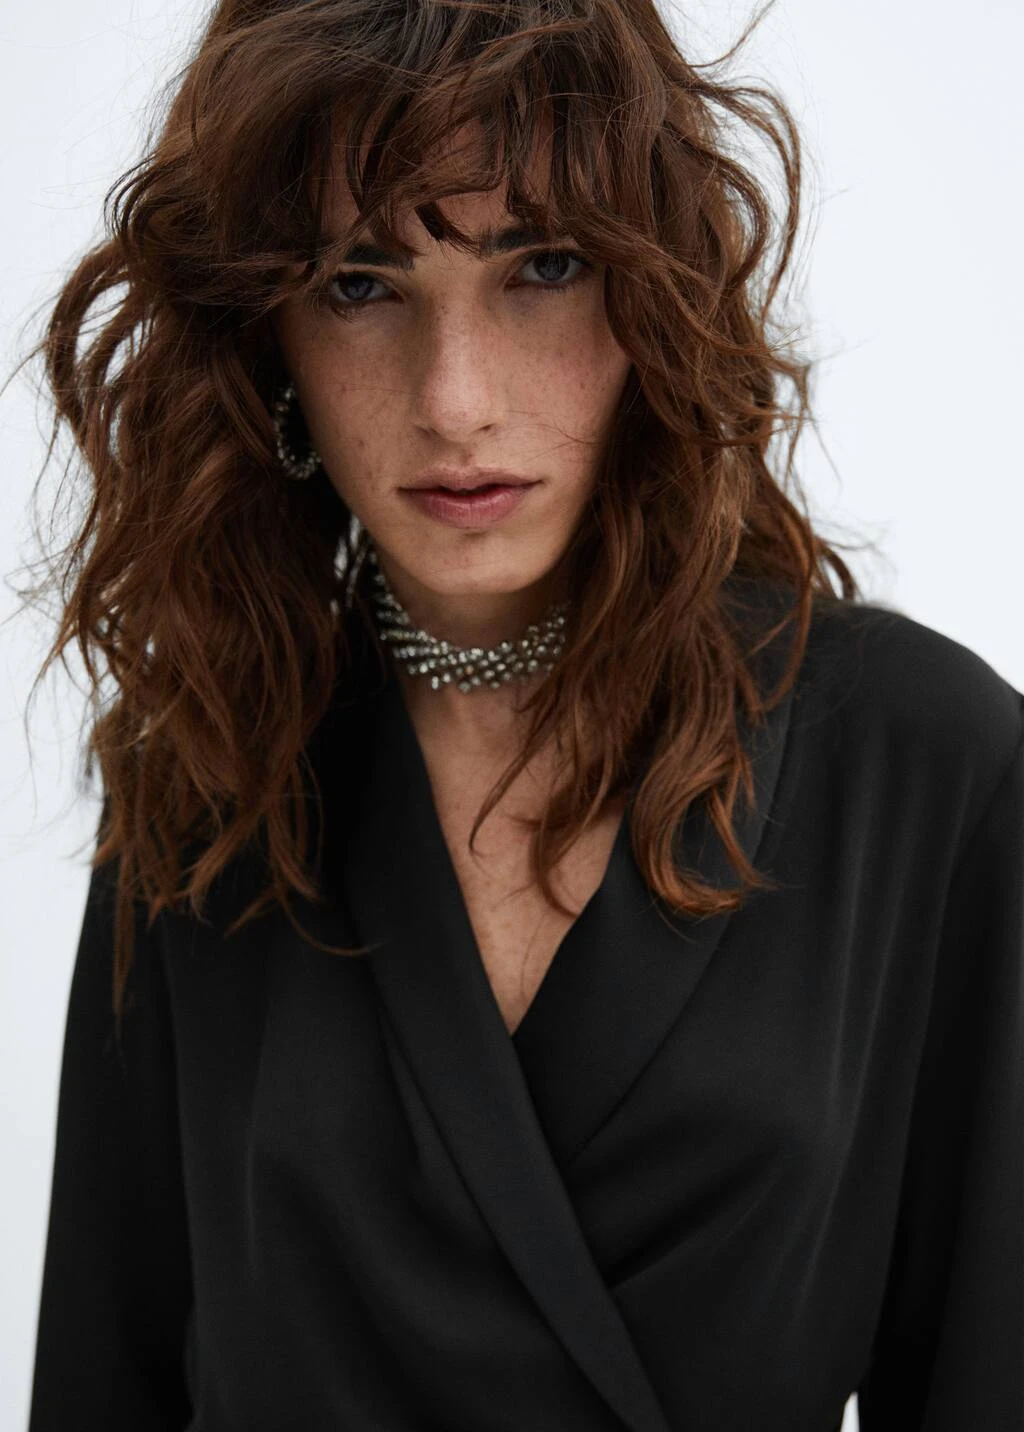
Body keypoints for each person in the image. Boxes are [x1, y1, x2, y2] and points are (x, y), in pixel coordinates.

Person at [21, 1, 1021, 1429]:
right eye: (361, 284)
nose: (456, 400)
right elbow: (101, 1379)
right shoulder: (211, 769)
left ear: (653, 293)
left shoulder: (928, 770)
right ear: (264, 336)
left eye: (542, 266)